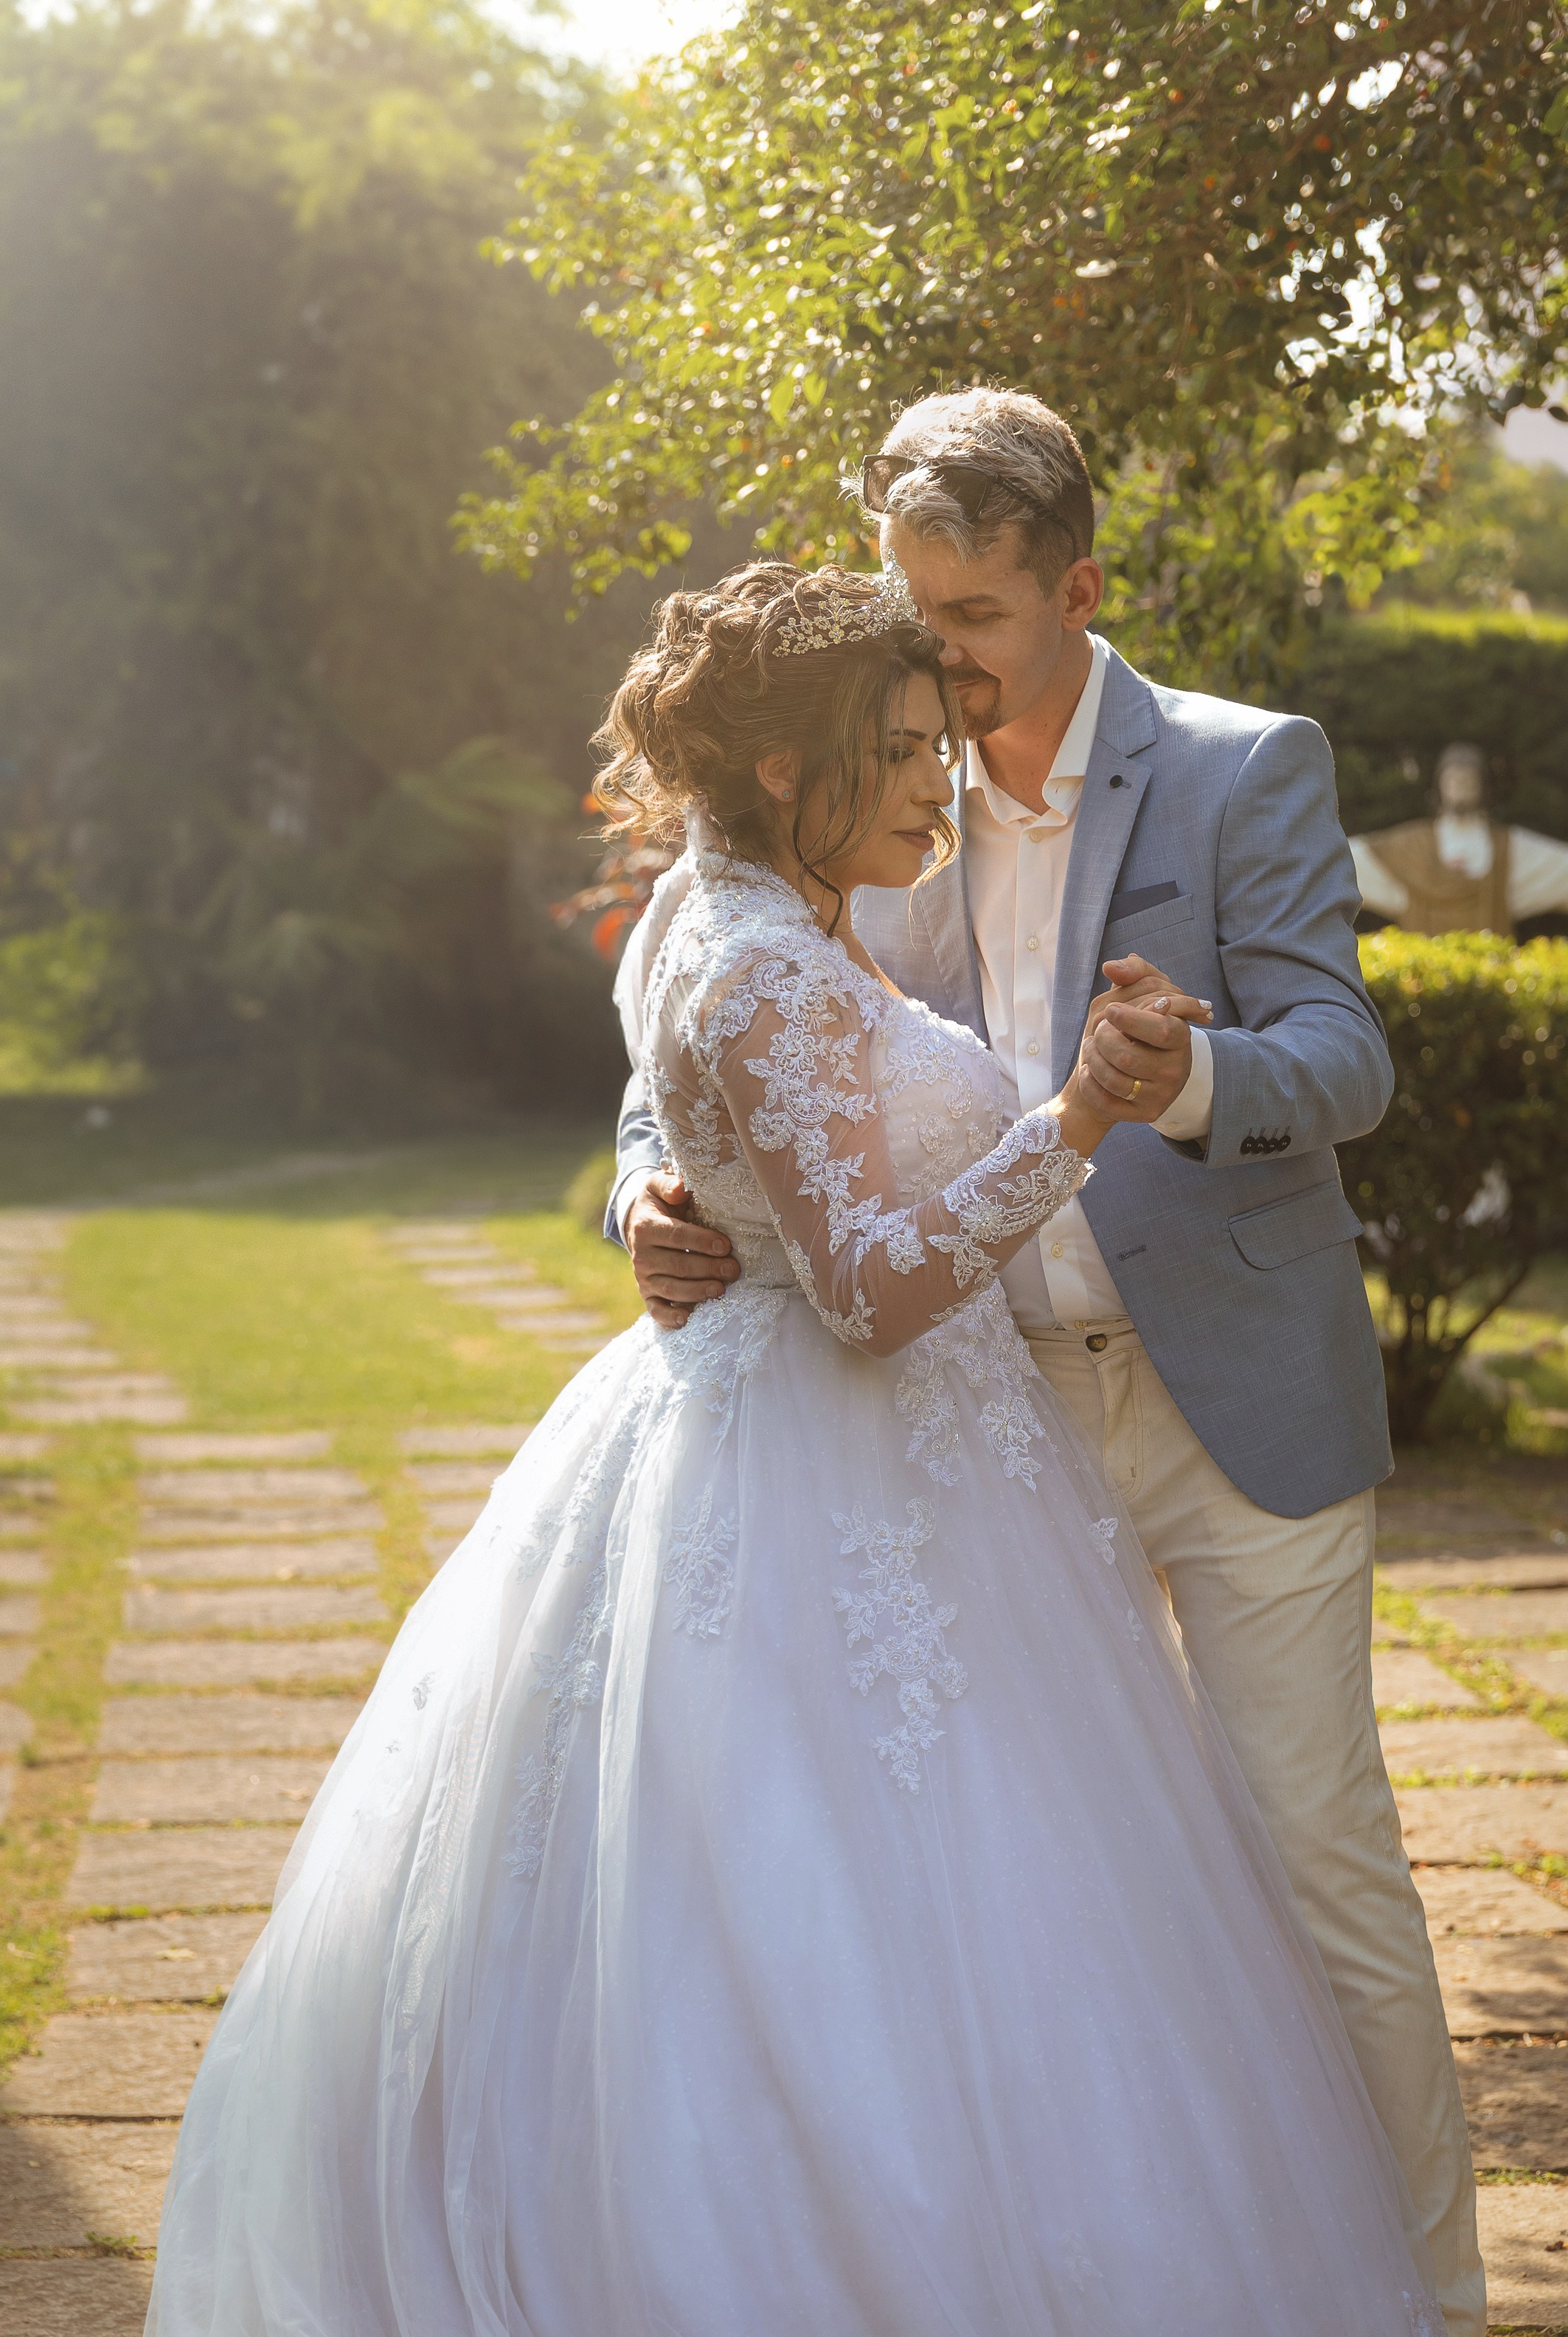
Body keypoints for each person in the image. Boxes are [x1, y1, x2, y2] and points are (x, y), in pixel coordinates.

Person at [146, 562, 1446, 2336]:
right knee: (843, 1895)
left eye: (935, 740)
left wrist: (701, 1183)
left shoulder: (741, 901)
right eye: (900, 748)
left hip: (931, 1454)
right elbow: (867, 1289)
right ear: (784, 766)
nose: (937, 776)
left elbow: (754, 1131)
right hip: (834, 1463)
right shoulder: (759, 955)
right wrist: (1077, 1110)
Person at [613, 389, 1484, 2335]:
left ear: (1075, 591)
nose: (930, 659)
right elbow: (695, 1021)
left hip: (1232, 1405)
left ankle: (1426, 2301)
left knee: (1312, 1859)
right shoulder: (864, 779)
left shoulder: (1243, 769)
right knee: (1062, 1891)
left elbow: (1345, 1059)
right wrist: (643, 1194)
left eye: (970, 620)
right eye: (907, 609)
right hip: (976, 1422)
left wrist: (1185, 1079)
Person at [1349, 739, 1568, 935]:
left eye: (1468, 781)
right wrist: (1315, 852)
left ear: (1483, 788)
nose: (1460, 788)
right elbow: (1354, 857)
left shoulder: (1505, 848)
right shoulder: (1412, 845)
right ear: (1440, 786)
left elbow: (1564, 864)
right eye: (1453, 781)